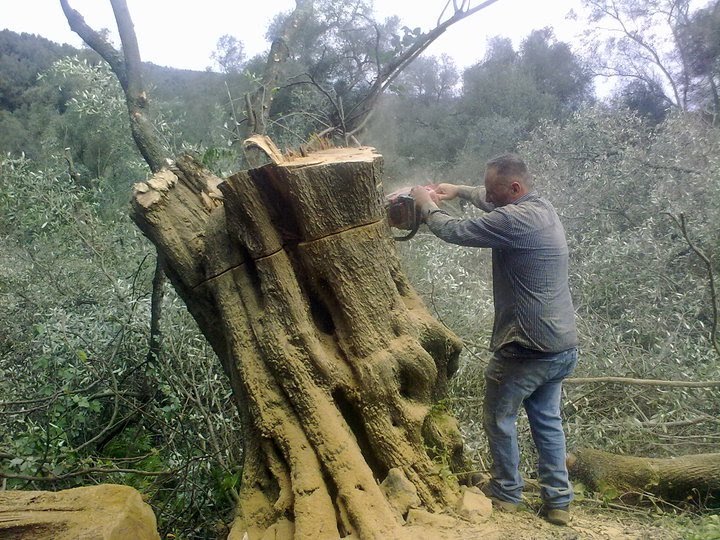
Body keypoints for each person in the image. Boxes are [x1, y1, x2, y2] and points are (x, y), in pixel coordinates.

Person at [410, 154, 579, 526]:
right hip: (561, 346)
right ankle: (558, 502)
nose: (487, 194)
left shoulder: (513, 219)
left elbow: (453, 231)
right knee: (547, 421)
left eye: (492, 190)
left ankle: (506, 494)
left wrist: (425, 204)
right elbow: (492, 202)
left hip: (525, 347)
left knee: (499, 418)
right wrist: (460, 190)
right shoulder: (540, 208)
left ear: (514, 189)